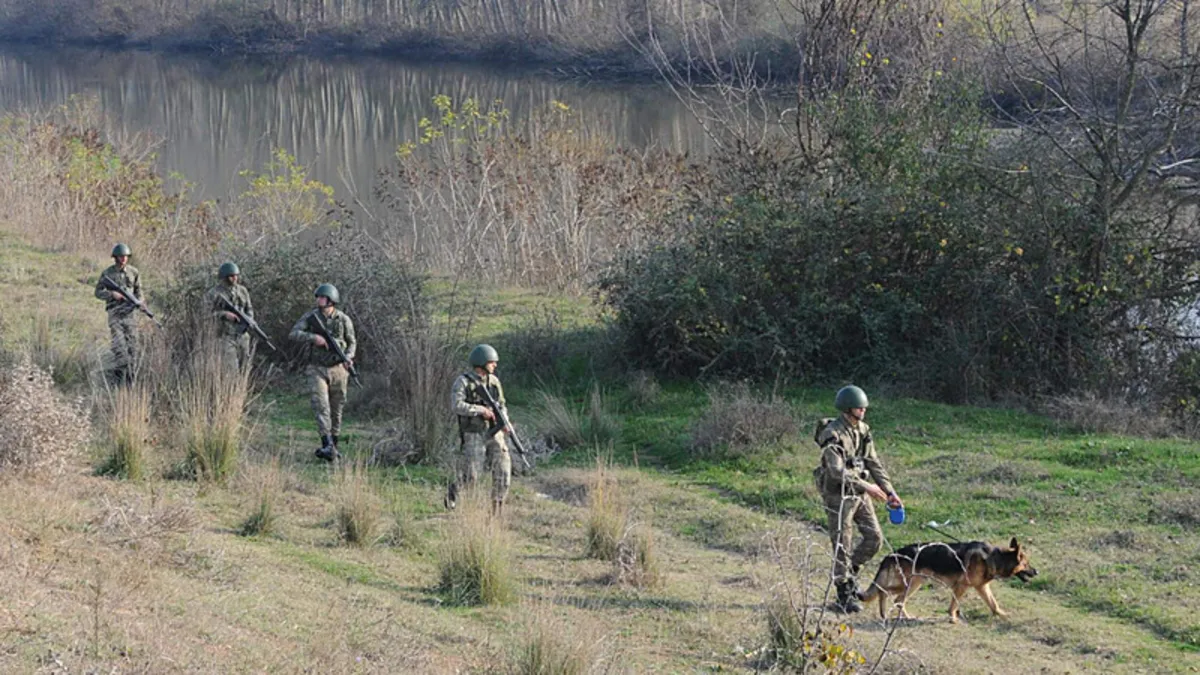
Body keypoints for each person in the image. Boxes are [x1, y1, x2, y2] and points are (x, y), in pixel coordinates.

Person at [813, 385, 904, 613]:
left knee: (874, 538)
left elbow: (873, 462)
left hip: (860, 493)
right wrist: (868, 487)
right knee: (842, 543)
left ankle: (850, 574)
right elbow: (836, 471)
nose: (863, 410)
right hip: (839, 495)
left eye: (863, 407)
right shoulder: (832, 434)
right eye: (858, 407)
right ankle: (843, 593)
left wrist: (890, 491)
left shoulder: (863, 430)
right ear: (847, 409)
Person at [289, 284, 356, 462]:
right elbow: (294, 333)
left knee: (337, 407)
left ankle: (333, 446)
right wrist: (313, 338)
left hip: (338, 369)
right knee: (321, 405)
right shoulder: (311, 317)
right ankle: (326, 442)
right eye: (318, 297)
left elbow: (352, 342)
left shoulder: (343, 320)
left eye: (322, 298)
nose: (318, 300)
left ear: (331, 300)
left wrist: (348, 357)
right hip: (316, 368)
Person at [445, 344, 513, 517]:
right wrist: (481, 410)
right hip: (474, 433)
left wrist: (505, 421)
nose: (495, 365)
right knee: (472, 475)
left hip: (494, 432)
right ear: (481, 362)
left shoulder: (494, 382)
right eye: (492, 362)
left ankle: (497, 509)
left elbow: (502, 405)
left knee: (504, 469)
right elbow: (457, 405)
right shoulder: (463, 382)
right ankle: (454, 491)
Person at [93, 243, 143, 385]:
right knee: (119, 347)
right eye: (121, 256)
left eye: (126, 256)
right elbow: (97, 292)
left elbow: (140, 292)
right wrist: (111, 294)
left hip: (130, 315)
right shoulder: (108, 273)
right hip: (115, 314)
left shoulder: (134, 272)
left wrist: (139, 302)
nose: (124, 259)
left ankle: (131, 378)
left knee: (133, 346)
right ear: (115, 257)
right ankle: (118, 377)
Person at [203, 261, 255, 369]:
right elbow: (205, 314)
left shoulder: (242, 291)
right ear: (224, 277)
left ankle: (242, 386)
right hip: (225, 336)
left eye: (236, 275)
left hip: (242, 335)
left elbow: (249, 308)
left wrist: (249, 319)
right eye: (231, 276)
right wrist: (223, 314)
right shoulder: (213, 293)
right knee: (231, 369)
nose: (234, 278)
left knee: (246, 367)